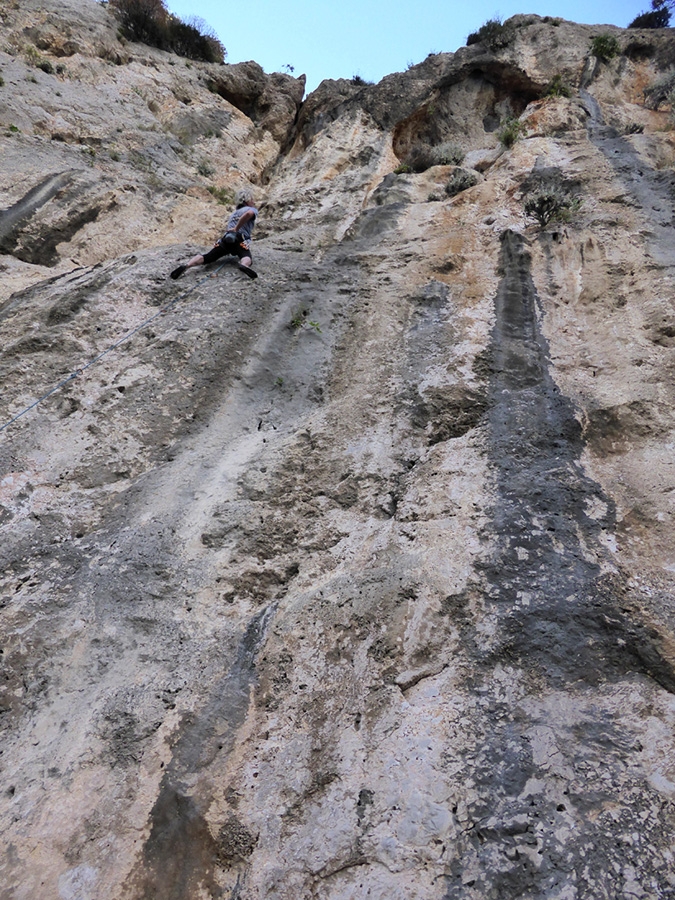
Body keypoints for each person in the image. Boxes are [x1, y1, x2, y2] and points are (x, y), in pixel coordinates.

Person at [171, 189, 258, 280]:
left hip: (226, 240)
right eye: (252, 200)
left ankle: (187, 265)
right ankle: (244, 265)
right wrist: (237, 228)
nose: (254, 202)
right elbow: (249, 214)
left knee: (208, 257)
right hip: (240, 240)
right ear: (247, 200)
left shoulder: (233, 214)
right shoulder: (251, 209)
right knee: (246, 256)